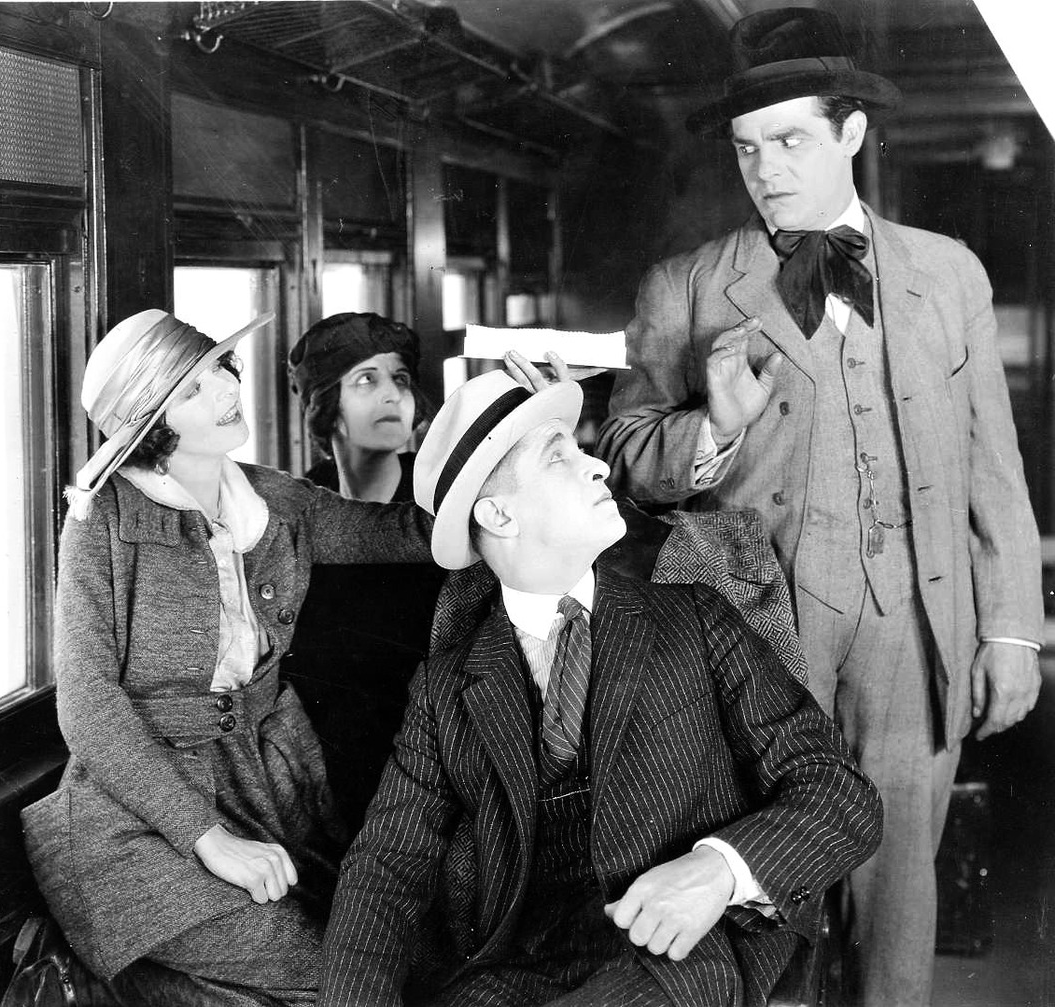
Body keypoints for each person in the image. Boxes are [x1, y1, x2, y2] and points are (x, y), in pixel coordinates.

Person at [594, 9, 1043, 1006]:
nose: (765, 169)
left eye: (791, 139)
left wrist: (1011, 627)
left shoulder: (948, 275)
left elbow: (992, 468)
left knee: (898, 898)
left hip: (914, 625)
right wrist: (712, 425)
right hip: (755, 635)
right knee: (763, 885)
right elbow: (628, 461)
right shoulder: (686, 287)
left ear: (852, 133)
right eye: (746, 147)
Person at [321, 352, 882, 1007]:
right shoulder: (445, 687)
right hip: (511, 974)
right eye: (559, 457)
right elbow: (387, 865)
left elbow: (840, 791)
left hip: (677, 958)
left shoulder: (696, 618)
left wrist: (718, 869)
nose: (597, 465)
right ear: (498, 516)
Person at [20, 309, 432, 1005]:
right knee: (332, 979)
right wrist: (208, 838)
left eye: (220, 367)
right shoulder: (101, 520)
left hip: (272, 793)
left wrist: (504, 439)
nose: (226, 389)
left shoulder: (273, 498)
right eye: (193, 388)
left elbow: (409, 532)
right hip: (137, 819)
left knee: (386, 959)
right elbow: (87, 705)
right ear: (150, 425)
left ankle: (126, 984)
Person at [281, 312, 445, 835]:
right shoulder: (299, 508)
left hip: (434, 765)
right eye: (366, 380)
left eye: (400, 378)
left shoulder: (441, 497)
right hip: (323, 777)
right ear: (326, 405)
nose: (392, 395)